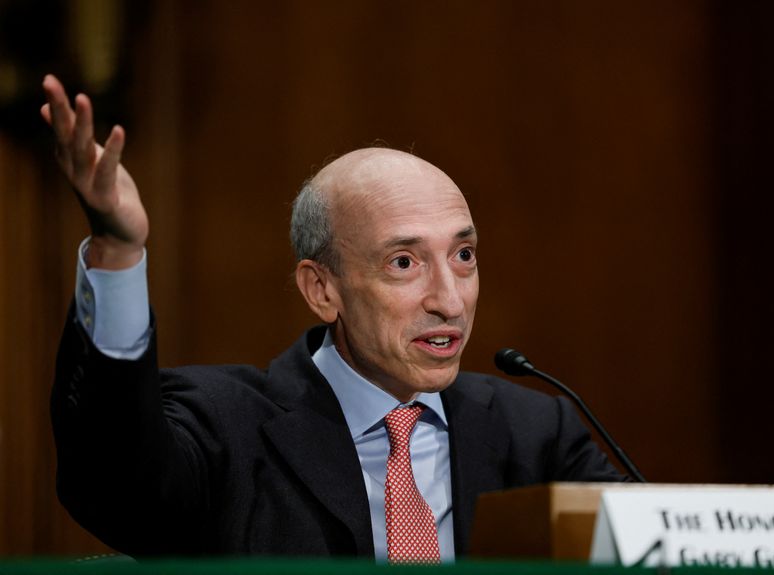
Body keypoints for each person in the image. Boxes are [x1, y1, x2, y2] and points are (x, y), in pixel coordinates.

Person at [42, 74, 624, 561]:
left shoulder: (535, 433)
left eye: (463, 256)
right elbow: (114, 485)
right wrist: (117, 253)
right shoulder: (227, 428)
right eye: (404, 262)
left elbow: (655, 545)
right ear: (322, 290)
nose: (449, 298)